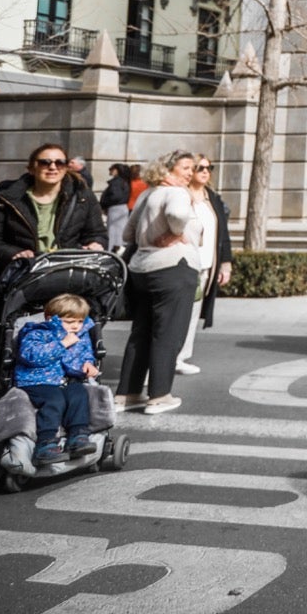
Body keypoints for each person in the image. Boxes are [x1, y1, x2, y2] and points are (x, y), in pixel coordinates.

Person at [0, 143, 106, 407]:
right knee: (6, 350)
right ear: (31, 167)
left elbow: (96, 233)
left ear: (67, 167)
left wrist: (95, 244)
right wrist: (14, 253)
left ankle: (64, 414)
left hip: (65, 281)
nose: (52, 167)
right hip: (20, 282)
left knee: (73, 347)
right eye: (45, 162)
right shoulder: (7, 198)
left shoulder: (82, 197)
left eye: (59, 162)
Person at [115, 150, 202, 416]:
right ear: (167, 170)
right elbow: (177, 214)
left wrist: (150, 236)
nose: (189, 173)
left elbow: (127, 233)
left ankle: (127, 394)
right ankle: (160, 395)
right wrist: (175, 232)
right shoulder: (177, 193)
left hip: (142, 268)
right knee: (168, 333)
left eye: (192, 168)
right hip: (174, 268)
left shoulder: (147, 193)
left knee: (140, 333)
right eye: (185, 167)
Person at [14, 292, 100, 465]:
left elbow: (85, 354)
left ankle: (78, 435)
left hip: (66, 379)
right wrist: (62, 344)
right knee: (54, 400)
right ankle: (45, 443)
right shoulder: (38, 333)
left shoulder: (81, 335)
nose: (75, 326)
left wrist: (88, 364)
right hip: (36, 380)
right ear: (50, 318)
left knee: (79, 394)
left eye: (79, 321)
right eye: (69, 322)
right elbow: (31, 356)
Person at [177, 156, 232, 376]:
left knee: (192, 312)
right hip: (183, 263)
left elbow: (223, 233)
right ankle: (168, 356)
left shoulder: (213, 199)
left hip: (206, 264)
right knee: (179, 312)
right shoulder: (180, 196)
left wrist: (225, 264)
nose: (205, 171)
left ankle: (181, 356)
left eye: (210, 168)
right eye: (200, 168)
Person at [99, 164, 131, 252]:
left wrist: (105, 203)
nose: (110, 172)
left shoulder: (116, 182)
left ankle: (113, 249)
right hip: (120, 208)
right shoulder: (124, 181)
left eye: (111, 170)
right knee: (118, 231)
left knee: (114, 232)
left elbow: (115, 196)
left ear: (116, 170)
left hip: (115, 208)